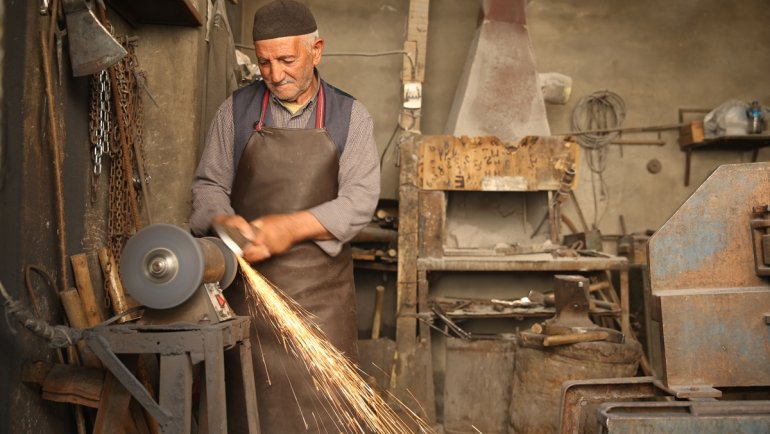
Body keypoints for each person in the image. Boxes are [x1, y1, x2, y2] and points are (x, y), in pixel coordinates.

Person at [189, 0, 380, 431]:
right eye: (265, 62)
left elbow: (360, 201)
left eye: (287, 60)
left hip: (322, 306)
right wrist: (223, 220)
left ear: (317, 50)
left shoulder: (351, 117)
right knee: (247, 416)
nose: (275, 75)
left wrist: (287, 227)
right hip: (247, 303)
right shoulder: (235, 112)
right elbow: (208, 186)